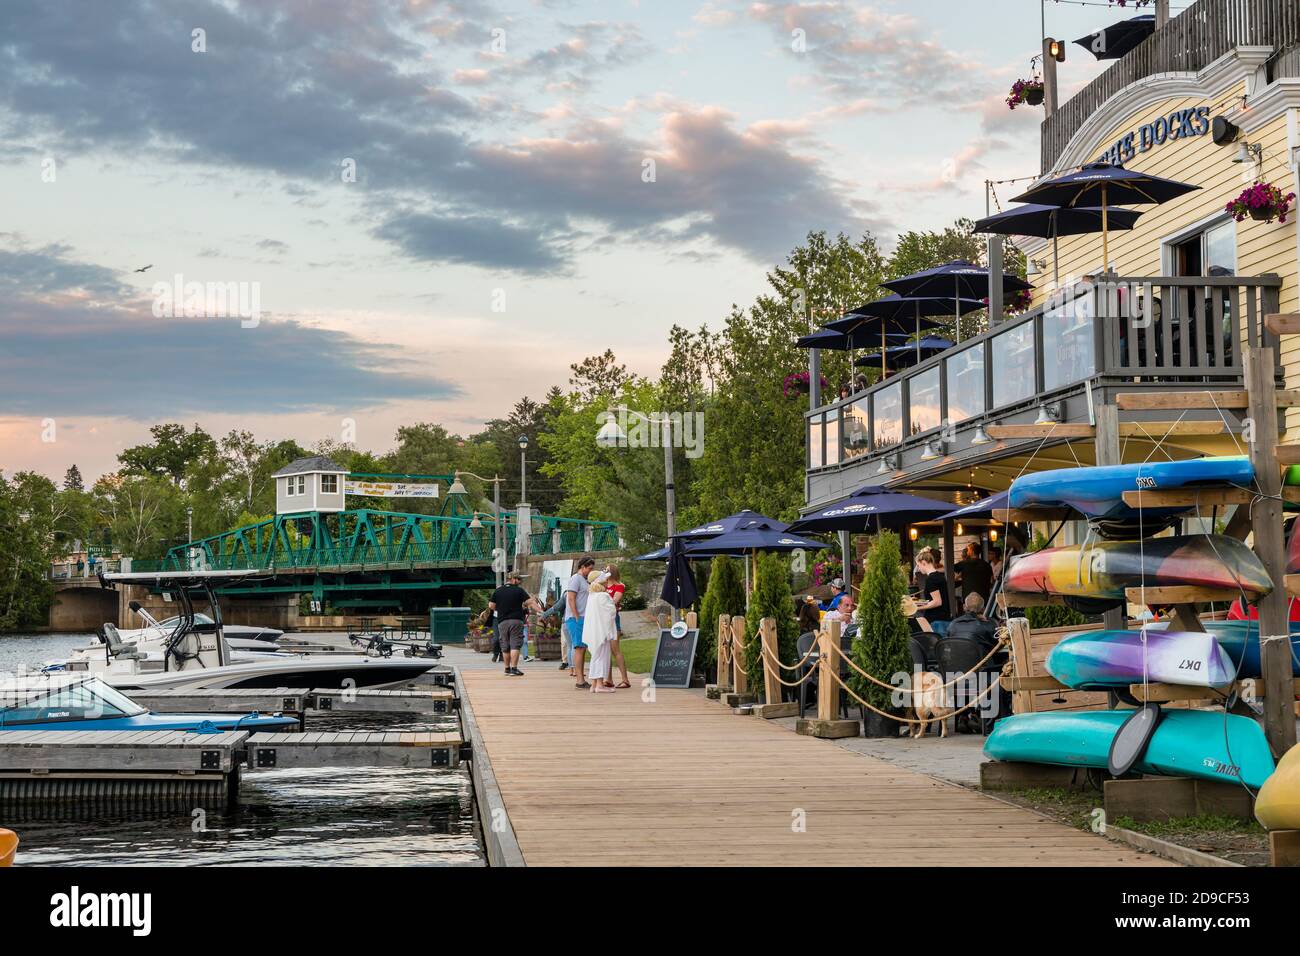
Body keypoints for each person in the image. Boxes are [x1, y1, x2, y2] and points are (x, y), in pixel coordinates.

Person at [487, 571, 542, 676]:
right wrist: (541, 612)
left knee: (505, 645)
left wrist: (501, 608)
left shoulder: (498, 591)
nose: (520, 581)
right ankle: (514, 669)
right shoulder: (519, 591)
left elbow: (491, 606)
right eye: (518, 579)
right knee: (515, 645)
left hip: (502, 622)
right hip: (516, 621)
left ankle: (507, 669)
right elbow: (530, 603)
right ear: (513, 579)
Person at [582, 569, 619, 693]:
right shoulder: (603, 596)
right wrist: (614, 606)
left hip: (594, 632)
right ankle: (599, 685)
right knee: (602, 657)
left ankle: (594, 684)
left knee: (596, 657)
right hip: (602, 632)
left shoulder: (592, 596)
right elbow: (610, 612)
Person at [564, 555, 597, 688]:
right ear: (582, 567)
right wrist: (576, 615)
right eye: (589, 568)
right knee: (578, 648)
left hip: (583, 617)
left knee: (582, 648)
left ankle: (581, 678)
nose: (590, 571)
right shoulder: (575, 579)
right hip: (576, 618)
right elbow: (571, 598)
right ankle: (579, 680)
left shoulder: (584, 580)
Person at [911, 547, 951, 636]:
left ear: (924, 563)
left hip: (936, 620)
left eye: (918, 565)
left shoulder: (931, 579)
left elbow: (937, 602)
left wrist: (917, 608)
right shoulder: (939, 576)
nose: (918, 568)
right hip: (943, 618)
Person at [603, 565, 631, 689]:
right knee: (606, 650)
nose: (605, 571)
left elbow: (614, 601)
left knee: (615, 649)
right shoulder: (602, 585)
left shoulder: (619, 586)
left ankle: (625, 679)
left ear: (612, 572)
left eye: (607, 570)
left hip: (613, 619)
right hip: (603, 620)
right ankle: (608, 679)